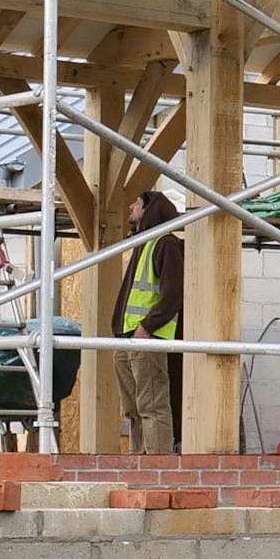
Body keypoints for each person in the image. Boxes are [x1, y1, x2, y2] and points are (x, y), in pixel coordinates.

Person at [115, 182, 182, 451]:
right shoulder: (142, 245)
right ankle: (138, 462)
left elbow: (172, 296)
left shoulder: (165, 245)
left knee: (151, 405)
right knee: (133, 408)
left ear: (150, 209)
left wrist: (147, 327)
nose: (131, 207)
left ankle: (156, 467)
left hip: (145, 337)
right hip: (127, 337)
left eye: (136, 203)